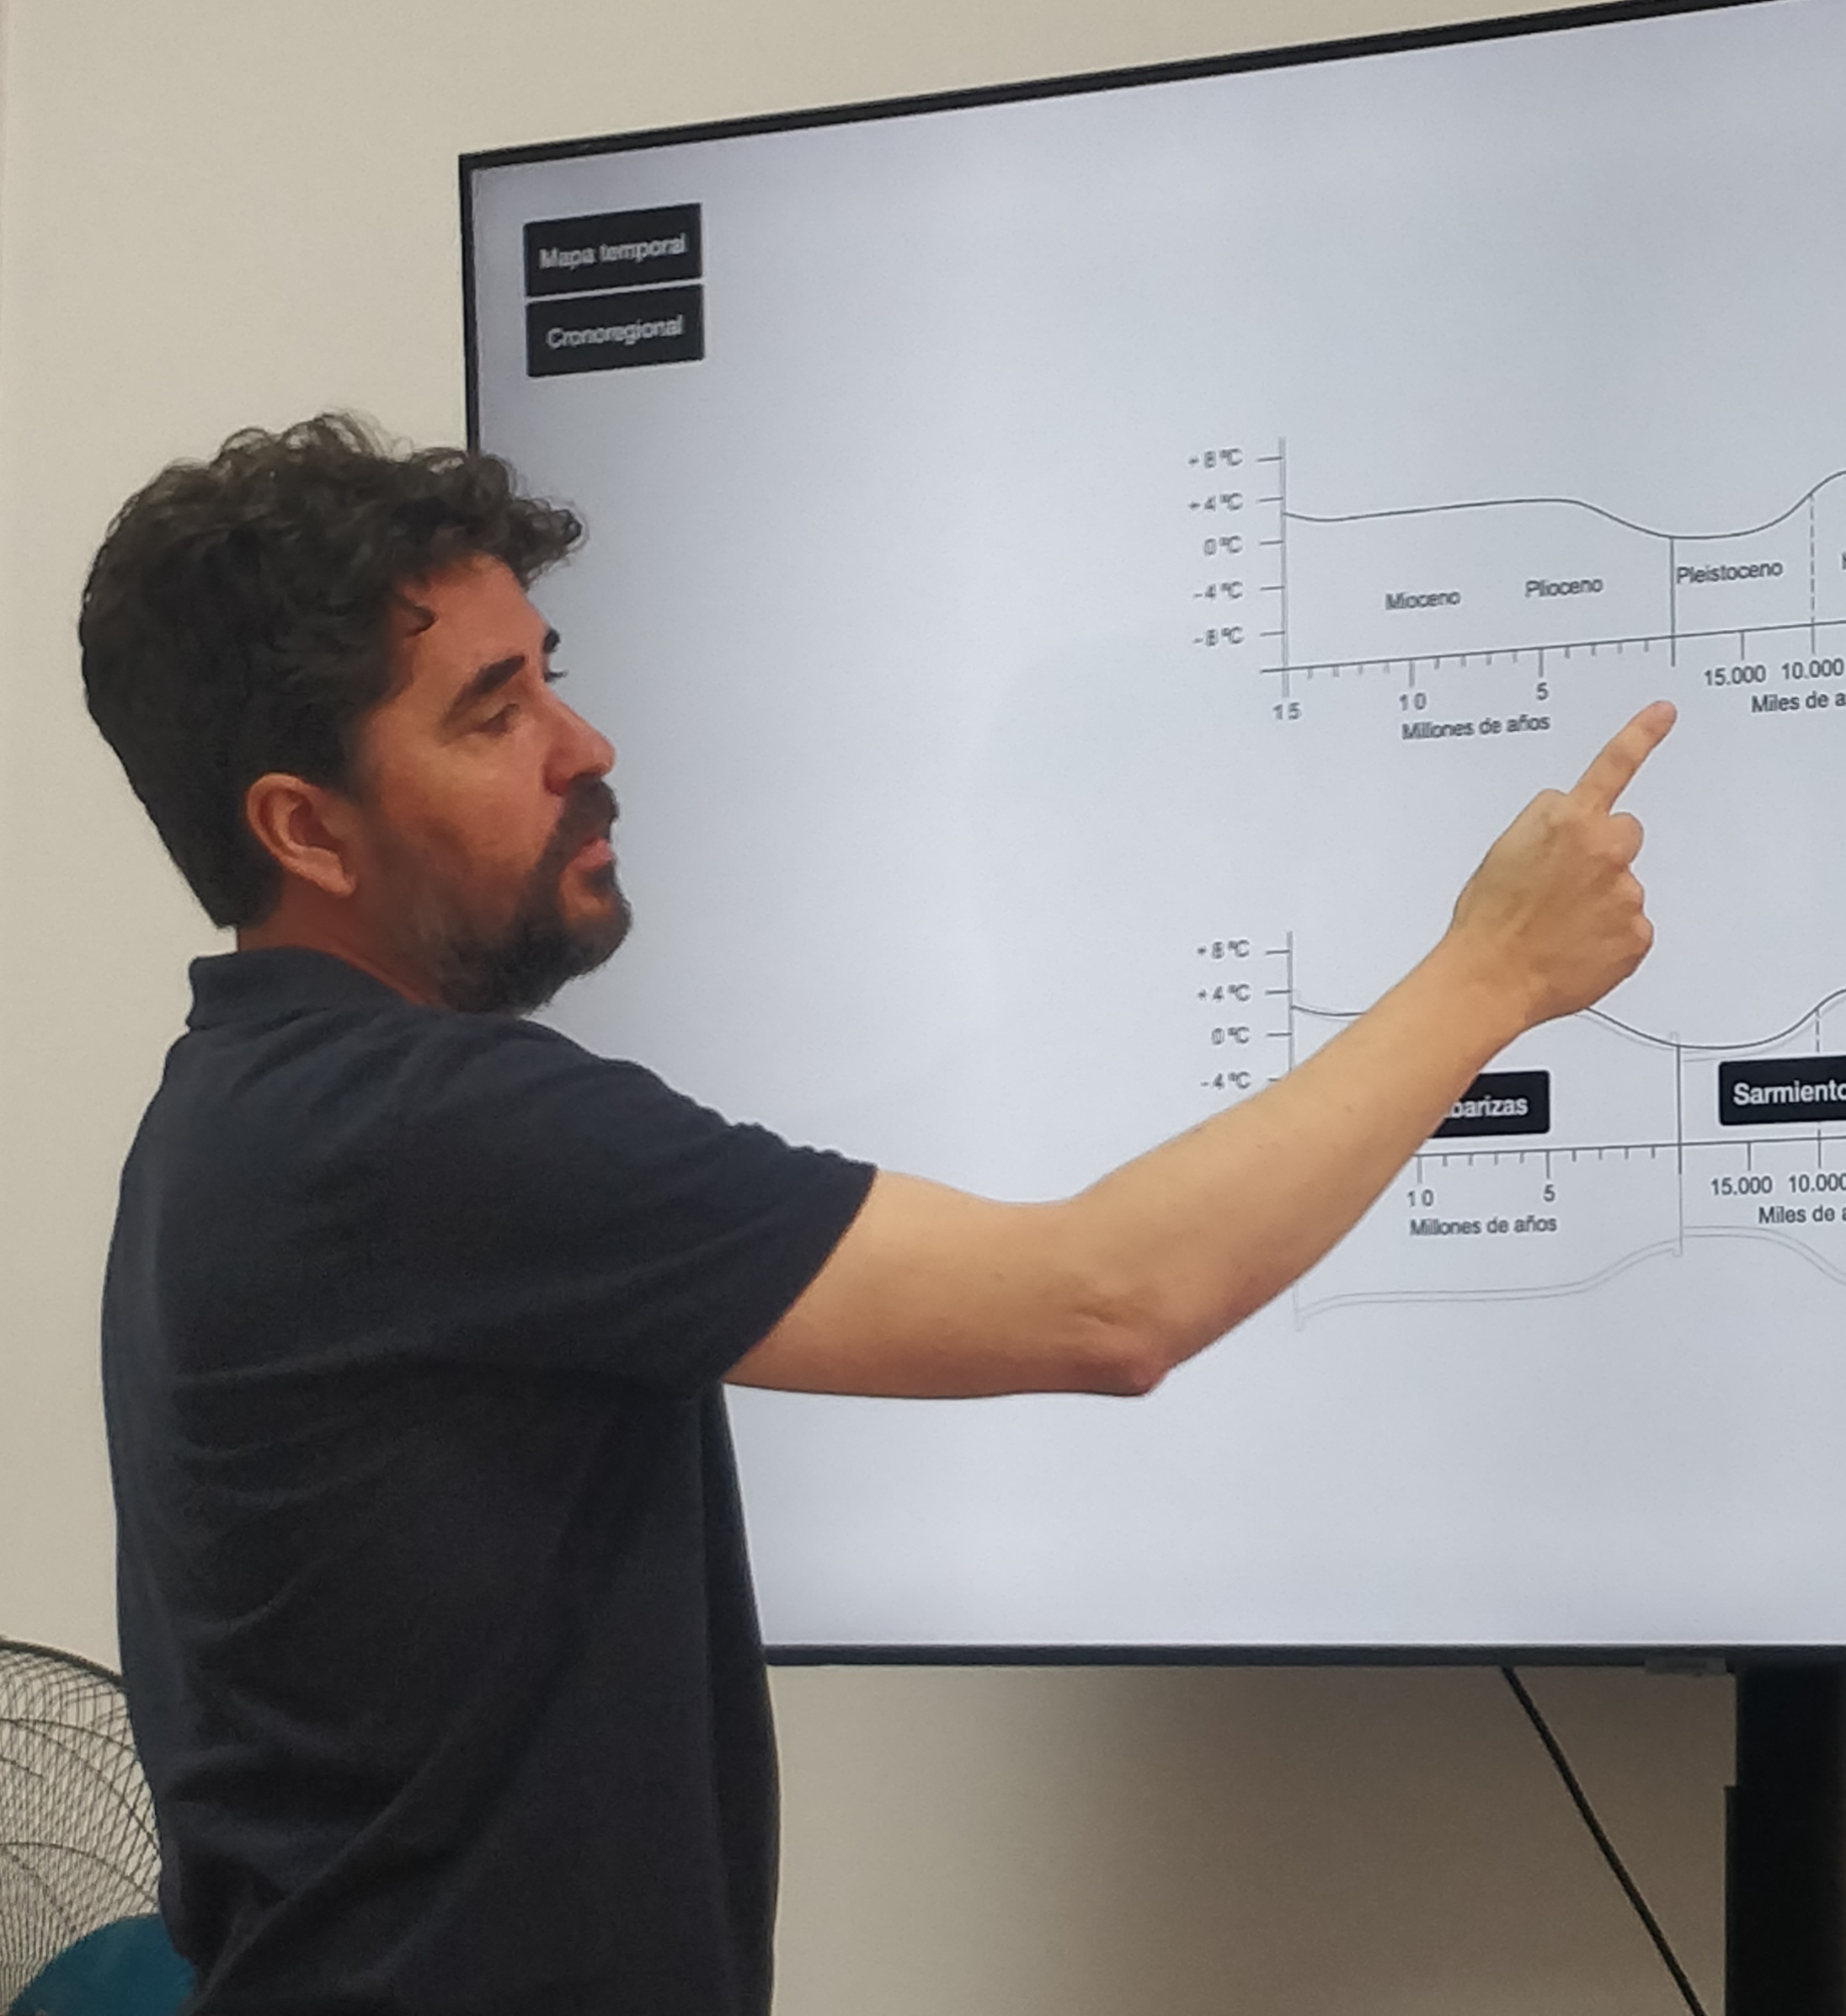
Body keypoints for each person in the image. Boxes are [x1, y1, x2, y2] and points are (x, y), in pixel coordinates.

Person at [80, 415, 1673, 2016]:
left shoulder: (229, 1115)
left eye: (550, 676)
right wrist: (1494, 969)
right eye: (494, 714)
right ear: (305, 828)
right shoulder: (419, 1130)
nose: (584, 745)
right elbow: (1112, 1302)